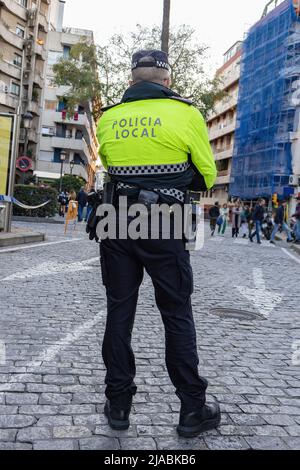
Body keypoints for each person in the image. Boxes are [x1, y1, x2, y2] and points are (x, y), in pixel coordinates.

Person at [96, 49, 220, 438]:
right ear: (166, 81)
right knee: (176, 313)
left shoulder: (109, 117)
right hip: (166, 220)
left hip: (114, 218)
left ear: (133, 80)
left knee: (119, 311)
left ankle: (118, 404)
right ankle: (191, 410)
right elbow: (207, 176)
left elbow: (109, 164)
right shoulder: (186, 113)